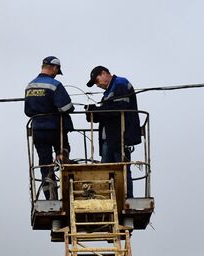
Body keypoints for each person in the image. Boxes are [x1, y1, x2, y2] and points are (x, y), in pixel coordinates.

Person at [24, 56, 74, 200]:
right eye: (56, 71)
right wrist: (71, 108)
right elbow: (66, 107)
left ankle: (50, 197)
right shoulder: (55, 85)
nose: (55, 74)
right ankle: (67, 190)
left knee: (45, 163)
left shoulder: (30, 86)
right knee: (63, 152)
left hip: (38, 130)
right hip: (55, 129)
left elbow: (27, 111)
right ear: (54, 68)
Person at [85, 66, 143, 191]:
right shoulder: (109, 91)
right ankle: (109, 196)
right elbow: (107, 113)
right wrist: (92, 114)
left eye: (96, 80)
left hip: (120, 137)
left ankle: (126, 197)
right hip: (109, 138)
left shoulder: (120, 84)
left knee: (122, 170)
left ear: (104, 73)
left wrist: (96, 110)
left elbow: (118, 109)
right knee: (106, 172)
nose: (97, 85)